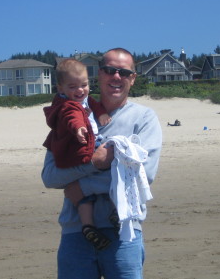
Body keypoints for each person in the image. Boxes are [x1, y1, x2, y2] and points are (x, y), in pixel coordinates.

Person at [41, 48, 162, 279]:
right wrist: (95, 163)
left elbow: (142, 175)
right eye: (110, 70)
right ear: (99, 74)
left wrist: (82, 187)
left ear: (133, 79)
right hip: (75, 231)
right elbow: (50, 176)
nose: (116, 77)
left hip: (125, 231)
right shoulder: (67, 115)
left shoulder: (144, 119)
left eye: (124, 72)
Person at [43, 59, 112, 250]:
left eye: (84, 85)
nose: (80, 90)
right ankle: (95, 220)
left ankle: (88, 225)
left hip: (87, 142)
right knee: (110, 164)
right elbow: (71, 118)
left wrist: (101, 114)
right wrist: (80, 127)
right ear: (61, 88)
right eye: (73, 87)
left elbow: (95, 105)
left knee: (82, 194)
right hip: (84, 144)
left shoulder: (85, 99)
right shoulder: (68, 105)